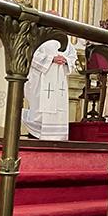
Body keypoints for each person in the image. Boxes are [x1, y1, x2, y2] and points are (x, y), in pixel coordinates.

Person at [22, 11, 77, 140]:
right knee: (40, 105)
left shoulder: (65, 37)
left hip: (59, 80)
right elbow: (30, 53)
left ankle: (56, 138)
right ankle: (36, 134)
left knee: (58, 107)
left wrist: (66, 60)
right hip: (41, 77)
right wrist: (51, 59)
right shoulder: (38, 33)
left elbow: (73, 56)